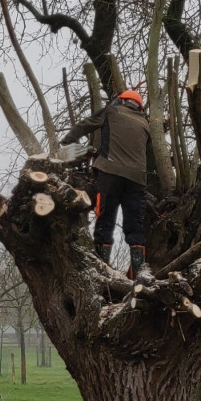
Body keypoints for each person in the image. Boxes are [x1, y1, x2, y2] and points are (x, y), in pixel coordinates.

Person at [59, 87, 152, 278]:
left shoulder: (111, 111)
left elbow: (85, 124)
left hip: (110, 173)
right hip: (137, 179)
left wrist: (66, 142)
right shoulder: (145, 123)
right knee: (135, 225)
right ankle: (139, 273)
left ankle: (101, 269)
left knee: (105, 219)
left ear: (120, 101)